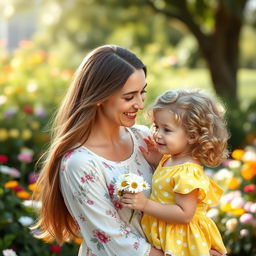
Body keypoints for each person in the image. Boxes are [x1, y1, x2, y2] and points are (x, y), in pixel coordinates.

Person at [33, 45, 223, 256]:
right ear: (100, 97)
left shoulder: (144, 138)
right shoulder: (80, 163)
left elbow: (184, 199)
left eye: (142, 92)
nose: (141, 105)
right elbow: (114, 241)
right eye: (129, 97)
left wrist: (202, 247)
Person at [121, 89, 229, 256]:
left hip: (184, 240)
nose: (157, 134)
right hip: (171, 235)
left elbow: (184, 214)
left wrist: (145, 204)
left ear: (192, 136)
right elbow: (168, 179)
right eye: (156, 126)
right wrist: (156, 160)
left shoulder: (188, 171)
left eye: (167, 130)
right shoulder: (172, 159)